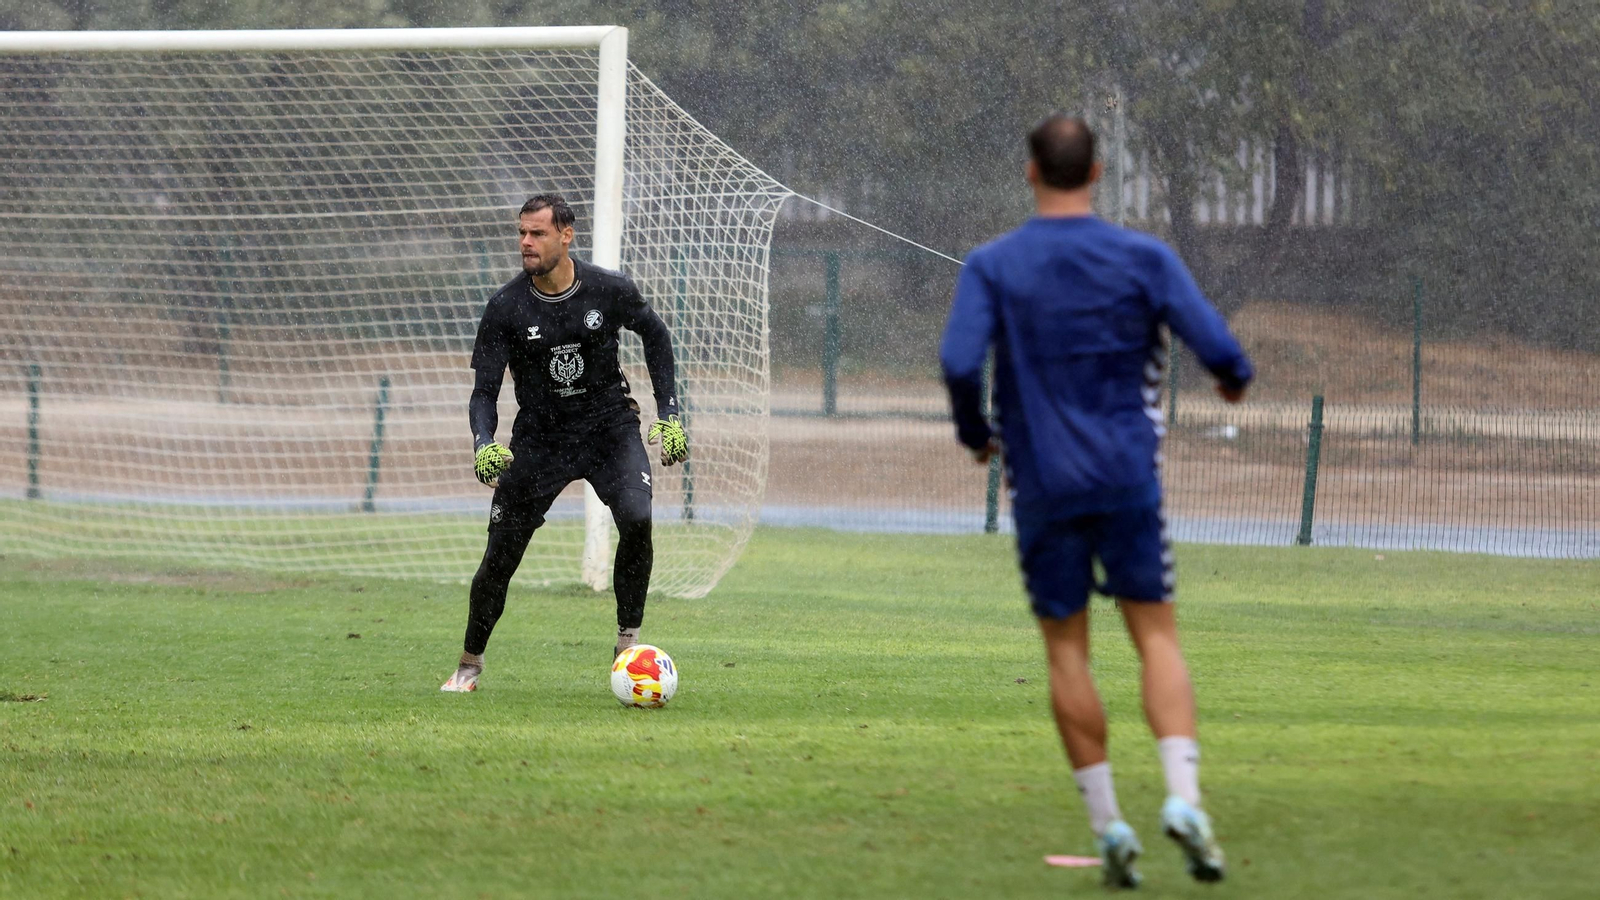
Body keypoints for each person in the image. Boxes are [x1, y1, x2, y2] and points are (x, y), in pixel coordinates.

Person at [939, 115, 1253, 888]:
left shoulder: (993, 263)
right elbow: (1217, 347)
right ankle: (1183, 799)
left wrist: (977, 432)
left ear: (1030, 172)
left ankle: (1109, 822)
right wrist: (1233, 378)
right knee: (1157, 639)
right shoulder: (1143, 255)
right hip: (1126, 481)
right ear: (1098, 171)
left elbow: (955, 360)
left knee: (1067, 651)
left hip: (1042, 483)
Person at [441, 194, 689, 693]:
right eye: (521, 233)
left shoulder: (608, 288)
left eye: (536, 234)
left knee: (637, 520)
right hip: (540, 440)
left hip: (609, 428)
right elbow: (483, 391)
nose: (526, 243)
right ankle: (469, 662)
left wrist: (671, 414)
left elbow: (656, 336)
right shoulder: (505, 307)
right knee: (500, 556)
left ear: (565, 234)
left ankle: (628, 643)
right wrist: (483, 442)